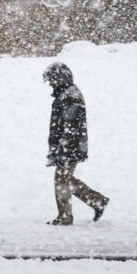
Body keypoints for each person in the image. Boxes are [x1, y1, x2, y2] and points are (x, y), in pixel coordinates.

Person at [42, 62, 109, 225]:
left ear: (59, 79)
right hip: (69, 146)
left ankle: (65, 216)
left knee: (61, 180)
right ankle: (97, 200)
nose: (50, 83)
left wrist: (62, 149)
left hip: (69, 146)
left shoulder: (69, 95)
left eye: (51, 80)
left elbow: (70, 126)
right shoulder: (65, 94)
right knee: (65, 178)